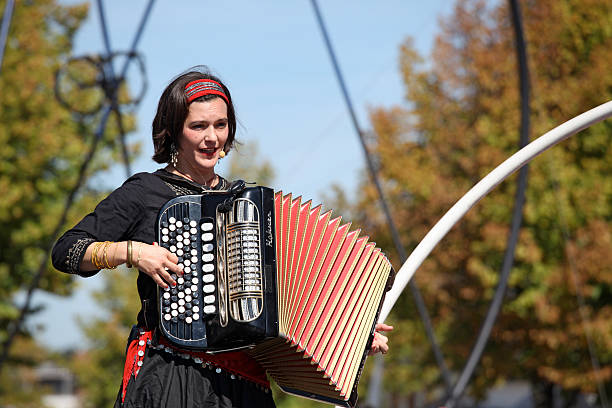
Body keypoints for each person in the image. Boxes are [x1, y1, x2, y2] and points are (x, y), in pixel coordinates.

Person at [52, 67, 391, 408]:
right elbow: (66, 250)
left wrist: (355, 332)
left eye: (220, 125)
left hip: (245, 386)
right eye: (198, 126)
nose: (211, 137)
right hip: (175, 377)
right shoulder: (144, 192)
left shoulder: (248, 207)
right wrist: (132, 252)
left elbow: (292, 293)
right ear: (173, 132)